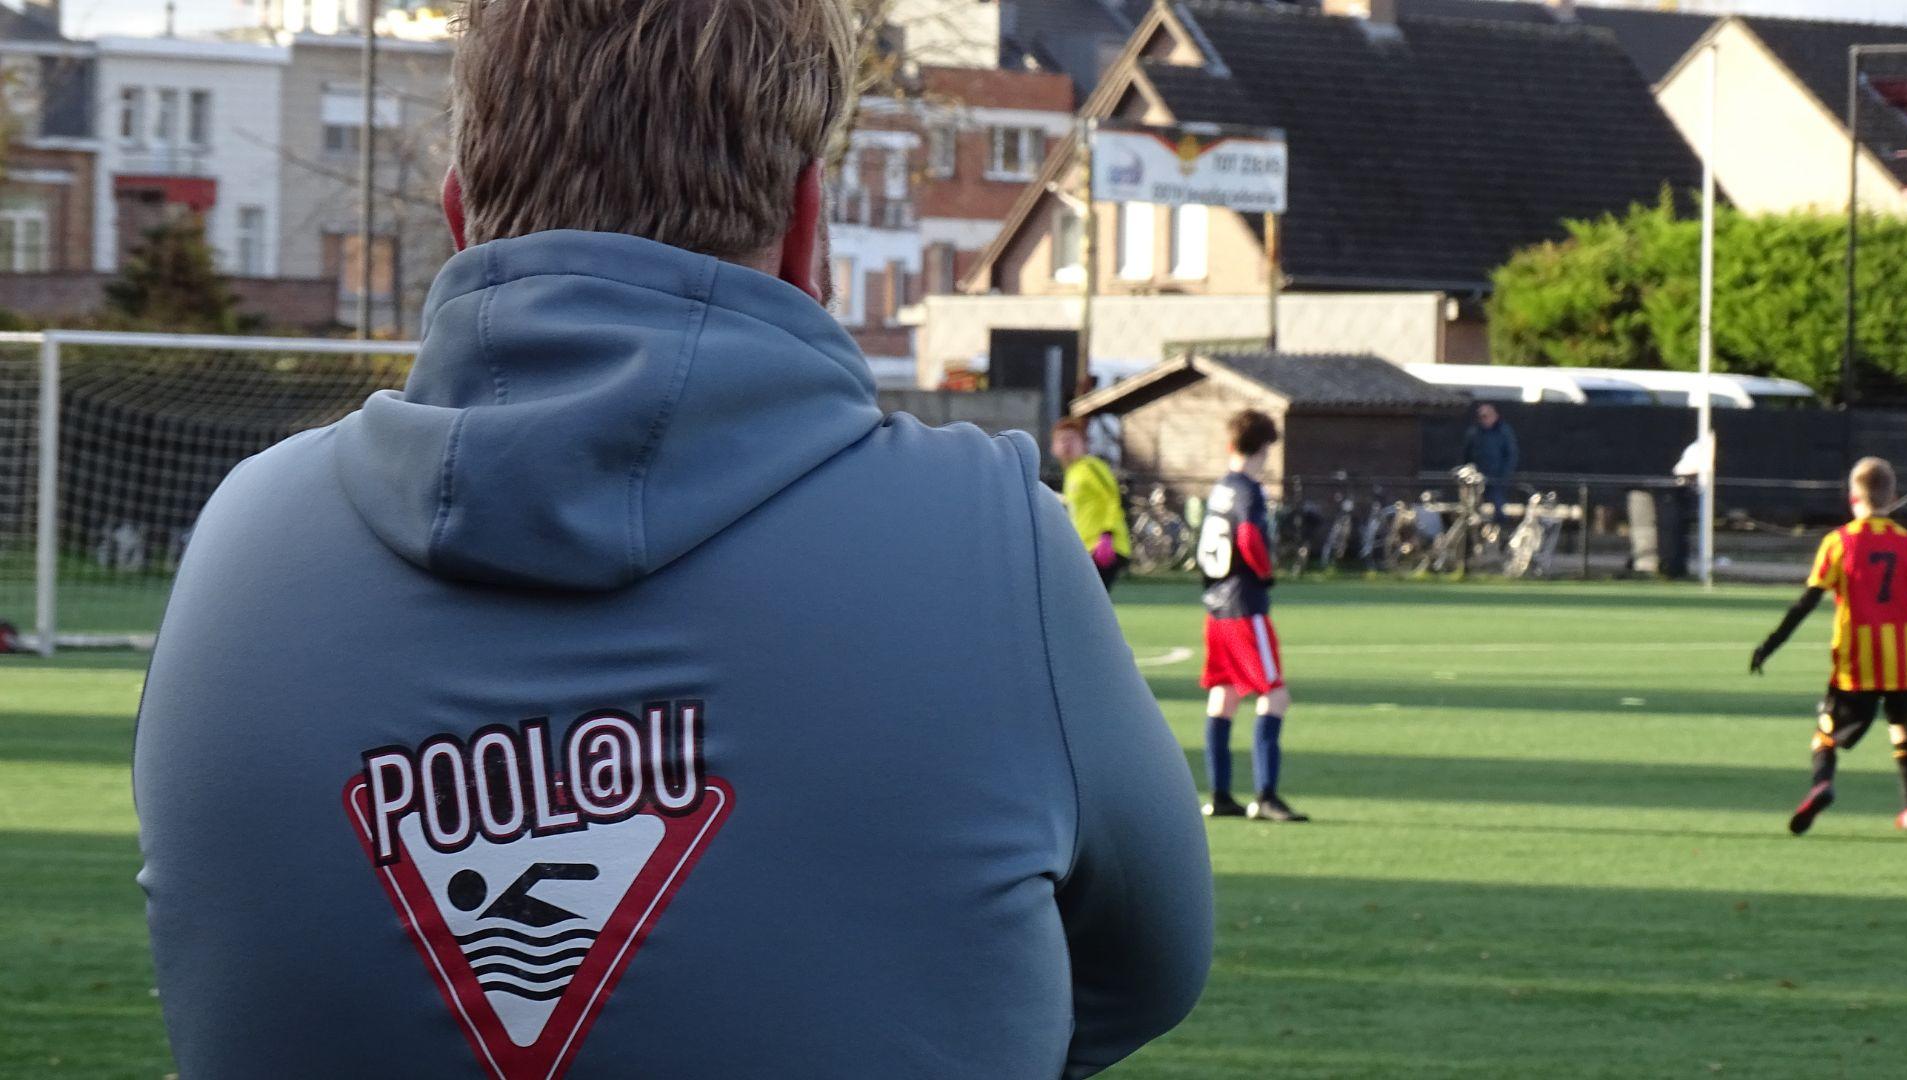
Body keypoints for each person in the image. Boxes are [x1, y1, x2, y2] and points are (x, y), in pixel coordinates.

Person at [132, 2, 1212, 1077]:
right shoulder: (990, 537)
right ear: (809, 227)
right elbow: (1144, 973)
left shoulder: (242, 539)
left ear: (460, 216)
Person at [1751, 457, 1907, 836]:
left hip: (1857, 660)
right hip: (1904, 658)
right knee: (1900, 725)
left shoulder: (1839, 542)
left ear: (1852, 498)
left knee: (1825, 732)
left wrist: (1771, 644)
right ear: (1893, 497)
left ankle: (1822, 784)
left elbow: (1806, 603)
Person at [1196, 409, 1308, 823]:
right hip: (1245, 603)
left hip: (1216, 605)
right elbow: (1248, 537)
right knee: (1275, 694)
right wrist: (1265, 572)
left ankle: (1220, 794)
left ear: (1231, 444)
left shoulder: (1221, 488)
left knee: (1224, 694)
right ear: (1263, 448)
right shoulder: (1248, 490)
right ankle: (1266, 796)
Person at [1053, 416, 1131, 591]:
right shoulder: (1072, 472)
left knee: (1083, 598)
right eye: (1062, 439)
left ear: (1084, 444)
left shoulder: (1090, 467)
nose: (1066, 445)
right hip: (1086, 548)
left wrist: (1107, 535)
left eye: (1072, 439)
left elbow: (1112, 499)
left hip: (1104, 547)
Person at [1463, 402, 1519, 529]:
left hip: (1497, 478)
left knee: (1498, 506)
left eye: (1486, 416)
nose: (1483, 419)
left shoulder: (1504, 432)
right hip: (1477, 478)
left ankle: (1502, 531)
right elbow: (1467, 454)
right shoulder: (1474, 433)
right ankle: (1476, 533)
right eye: (1481, 417)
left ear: (1494, 416)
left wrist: (1504, 474)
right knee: (1473, 508)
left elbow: (1511, 454)